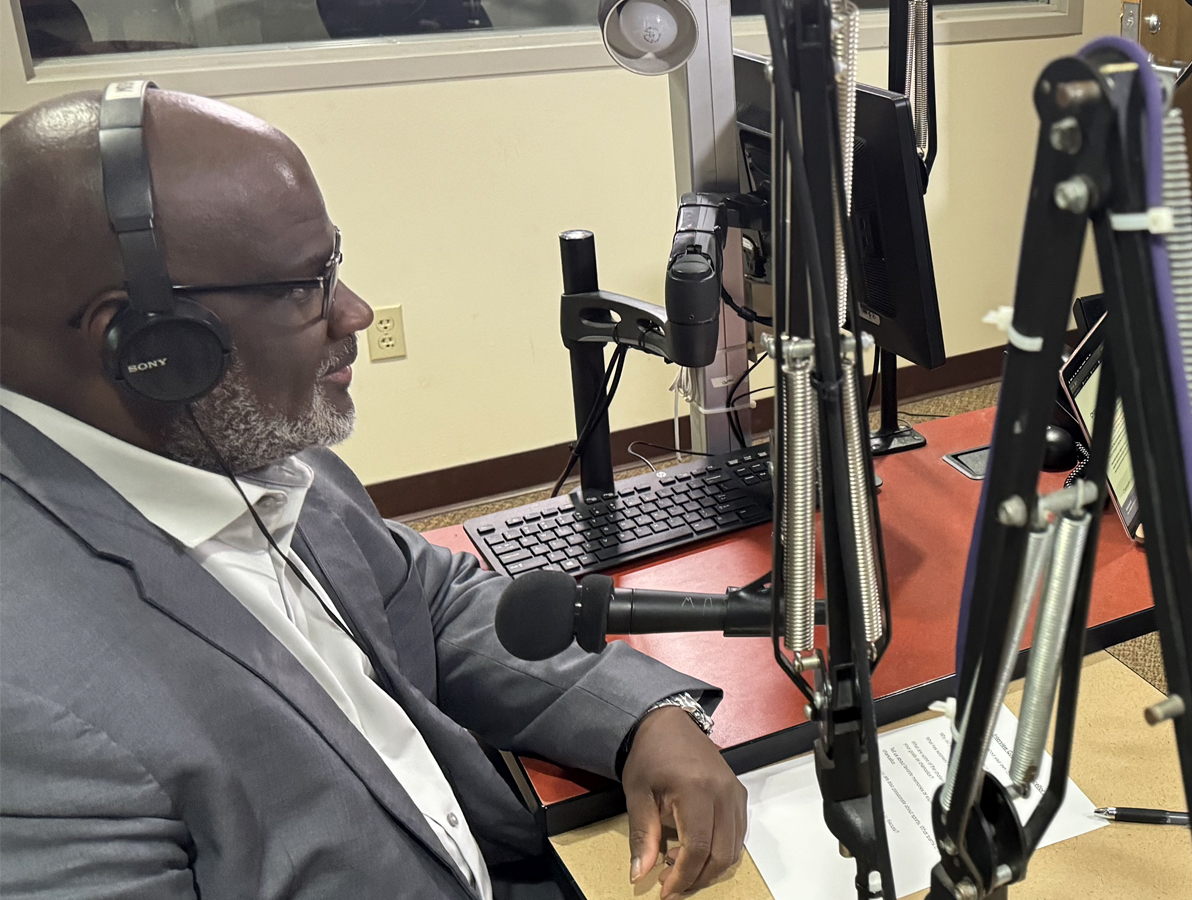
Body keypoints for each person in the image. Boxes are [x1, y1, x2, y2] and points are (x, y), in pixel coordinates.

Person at [0, 86, 746, 899]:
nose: (354, 312)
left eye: (333, 265)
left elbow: (433, 602)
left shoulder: (247, 450)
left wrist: (647, 717)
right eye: (300, 287)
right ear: (150, 348)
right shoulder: (29, 711)